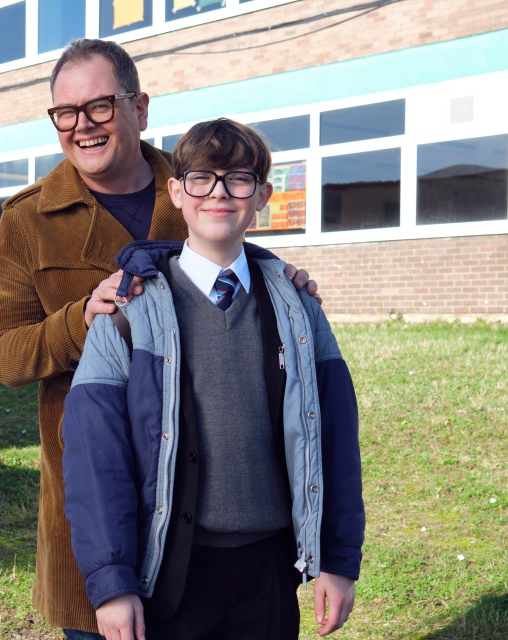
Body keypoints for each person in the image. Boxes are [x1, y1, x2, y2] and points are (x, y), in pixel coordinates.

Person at [0, 39, 320, 638]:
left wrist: (278, 272)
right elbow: (4, 356)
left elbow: (226, 243)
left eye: (100, 107)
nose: (82, 126)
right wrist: (79, 317)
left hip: (214, 518)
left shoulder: (193, 182)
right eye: (66, 112)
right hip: (99, 504)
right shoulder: (26, 219)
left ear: (140, 106)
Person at [61, 118, 364, 640]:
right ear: (176, 192)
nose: (219, 193)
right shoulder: (126, 312)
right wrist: (113, 582)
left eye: (239, 179)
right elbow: (95, 459)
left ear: (262, 195)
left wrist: (336, 560)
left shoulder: (297, 309)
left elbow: (334, 439)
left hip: (268, 574)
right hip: (172, 575)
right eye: (202, 178)